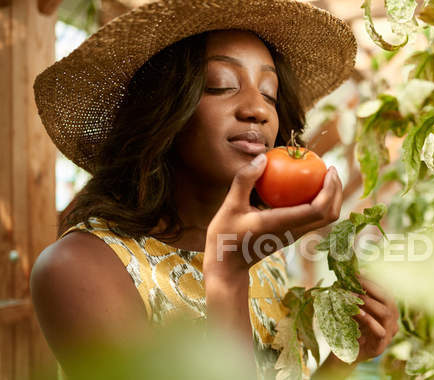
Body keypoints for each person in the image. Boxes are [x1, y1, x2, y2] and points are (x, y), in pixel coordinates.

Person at [29, 0, 400, 379]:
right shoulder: (81, 267)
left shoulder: (262, 255)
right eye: (221, 85)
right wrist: (228, 276)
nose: (257, 109)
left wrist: (346, 358)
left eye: (270, 94)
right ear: (161, 107)